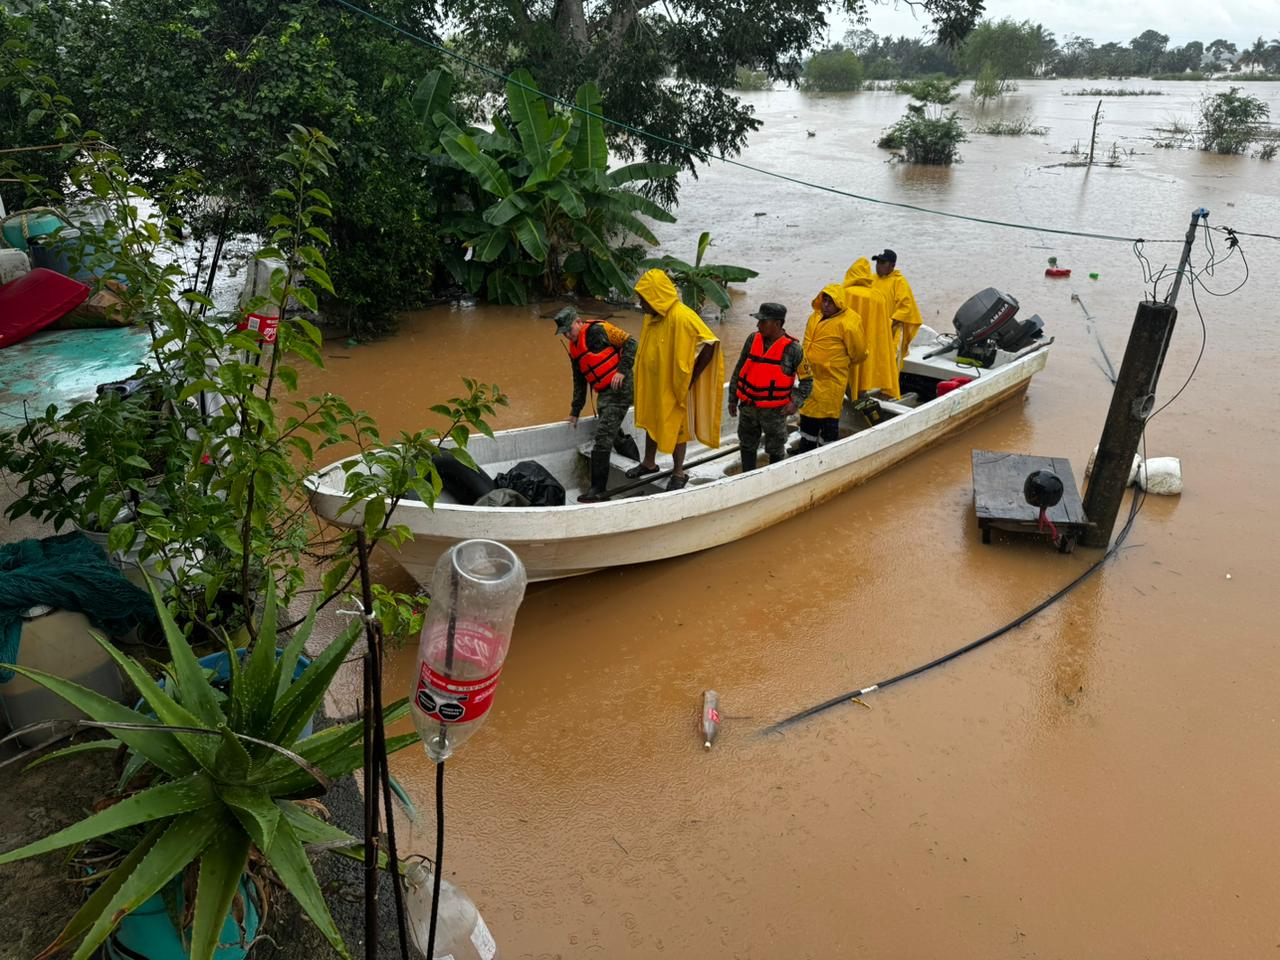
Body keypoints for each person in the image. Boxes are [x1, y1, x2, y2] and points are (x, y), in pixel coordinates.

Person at [629, 269, 725, 491]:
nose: (640, 303)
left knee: (676, 428)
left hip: (674, 386)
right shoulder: (651, 317)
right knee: (651, 422)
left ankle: (678, 472)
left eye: (643, 299)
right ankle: (649, 463)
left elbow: (710, 343)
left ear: (655, 296)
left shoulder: (682, 316)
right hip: (654, 384)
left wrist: (690, 378)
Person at [554, 306, 636, 503]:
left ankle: (597, 490)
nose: (567, 335)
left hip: (620, 389)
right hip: (604, 394)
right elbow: (579, 380)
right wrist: (575, 410)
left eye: (569, 330)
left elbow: (631, 343)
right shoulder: (574, 349)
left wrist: (622, 371)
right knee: (614, 434)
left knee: (603, 438)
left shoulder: (599, 330)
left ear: (579, 322)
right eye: (563, 332)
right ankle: (637, 463)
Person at [728, 302, 812, 471]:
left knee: (775, 448)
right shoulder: (752, 339)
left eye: (763, 321)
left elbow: (807, 381)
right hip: (748, 407)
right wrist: (732, 398)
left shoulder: (794, 349)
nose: (758, 325)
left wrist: (795, 403)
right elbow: (739, 368)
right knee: (747, 444)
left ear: (777, 323)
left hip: (775, 412)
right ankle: (747, 477)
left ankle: (775, 478)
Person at [796, 284, 867, 452]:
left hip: (831, 380)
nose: (826, 305)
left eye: (830, 301)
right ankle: (806, 448)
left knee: (828, 418)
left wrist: (833, 363)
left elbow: (859, 353)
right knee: (807, 416)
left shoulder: (849, 323)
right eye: (824, 300)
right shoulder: (815, 317)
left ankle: (828, 452)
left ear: (839, 303)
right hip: (809, 378)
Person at [842, 257, 899, 399]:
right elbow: (883, 326)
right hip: (869, 344)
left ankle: (849, 399)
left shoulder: (843, 293)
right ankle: (861, 397)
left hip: (847, 342)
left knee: (847, 374)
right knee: (863, 373)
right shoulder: (877, 296)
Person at [869, 249, 923, 369]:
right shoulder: (871, 280)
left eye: (882, 263)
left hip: (892, 331)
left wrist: (887, 325)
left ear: (892, 265)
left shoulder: (899, 282)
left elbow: (906, 309)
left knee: (890, 365)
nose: (878, 266)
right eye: (877, 262)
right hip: (873, 330)